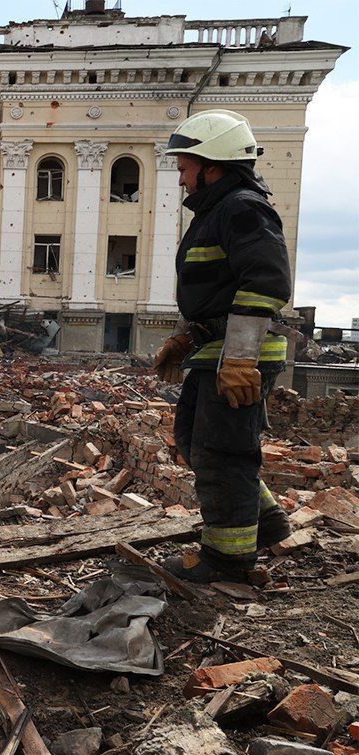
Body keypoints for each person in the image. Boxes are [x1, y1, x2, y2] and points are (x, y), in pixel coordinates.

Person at [153, 109, 293, 583]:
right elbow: (218, 292)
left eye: (185, 164)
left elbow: (266, 281)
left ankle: (227, 559)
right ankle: (266, 521)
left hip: (240, 359)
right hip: (217, 354)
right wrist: (186, 338)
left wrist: (238, 357)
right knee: (196, 442)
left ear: (211, 165)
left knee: (225, 454)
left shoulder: (241, 207)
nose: (180, 176)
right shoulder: (218, 211)